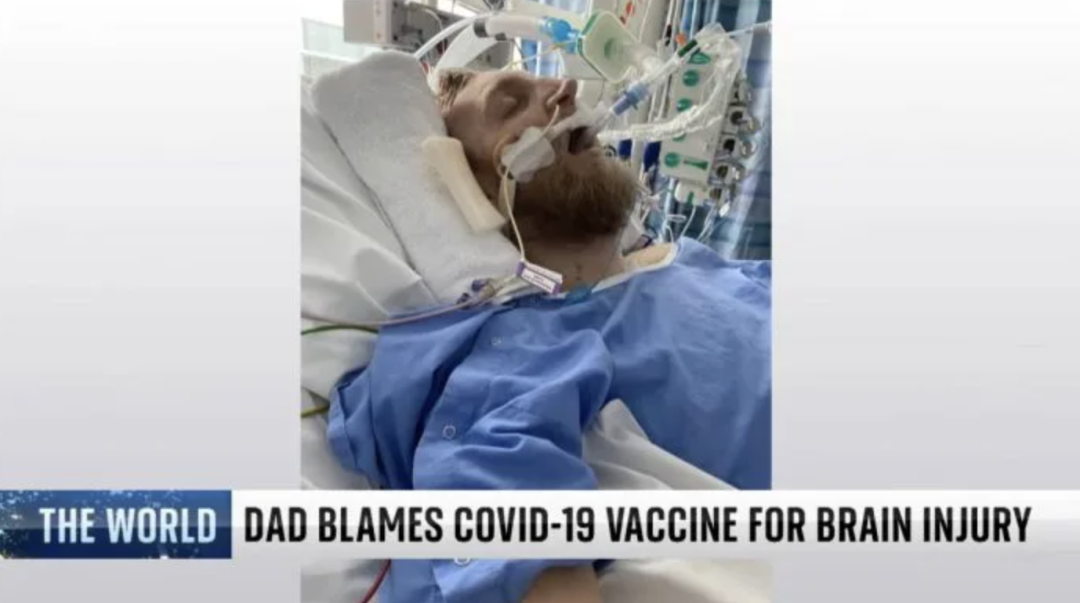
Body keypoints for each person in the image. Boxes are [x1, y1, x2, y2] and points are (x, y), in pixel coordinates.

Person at [326, 68, 771, 603]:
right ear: (474, 189)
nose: (567, 90)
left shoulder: (693, 264)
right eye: (510, 105)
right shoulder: (523, 356)